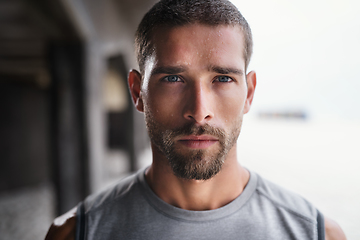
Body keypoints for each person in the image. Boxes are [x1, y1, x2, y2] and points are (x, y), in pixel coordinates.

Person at [45, 0, 347, 239]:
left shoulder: (316, 233)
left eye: (223, 78)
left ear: (249, 93)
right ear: (137, 92)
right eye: (174, 78)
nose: (199, 110)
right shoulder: (76, 233)